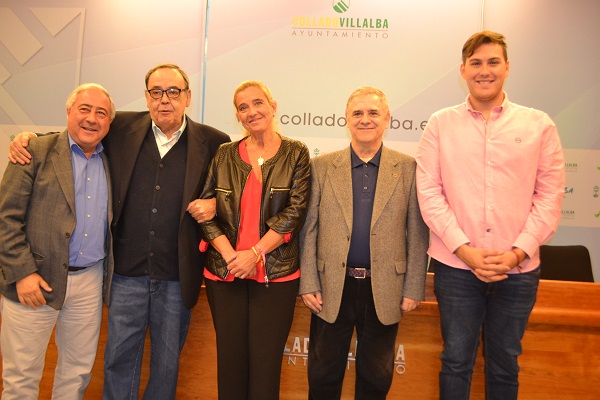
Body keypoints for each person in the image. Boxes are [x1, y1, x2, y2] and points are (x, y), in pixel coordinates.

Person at [8, 63, 230, 399]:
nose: (165, 99)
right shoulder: (121, 127)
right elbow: (75, 135)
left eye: (173, 91)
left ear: (187, 97)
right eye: (156, 92)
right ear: (146, 97)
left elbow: (232, 192)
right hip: (125, 273)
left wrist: (216, 203)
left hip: (177, 273)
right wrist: (29, 138)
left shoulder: (215, 142)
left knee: (166, 364)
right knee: (118, 358)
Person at [415, 31, 565, 400]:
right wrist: (464, 250)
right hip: (456, 268)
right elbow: (429, 194)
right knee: (455, 361)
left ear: (507, 67)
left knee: (505, 364)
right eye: (477, 63)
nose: (485, 70)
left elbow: (549, 197)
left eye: (493, 62)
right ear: (463, 70)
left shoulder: (539, 125)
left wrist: (517, 253)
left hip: (518, 271)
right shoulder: (440, 124)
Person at [299, 86, 429, 399]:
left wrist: (413, 286)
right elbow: (309, 229)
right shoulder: (321, 167)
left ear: (387, 119)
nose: (365, 119)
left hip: (384, 288)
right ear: (346, 119)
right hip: (332, 287)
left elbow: (417, 231)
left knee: (376, 379)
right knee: (322, 376)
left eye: (373, 113)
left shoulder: (408, 168)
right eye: (357, 113)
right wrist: (308, 281)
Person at [0, 83, 115, 399]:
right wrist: (22, 273)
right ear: (69, 112)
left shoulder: (113, 160)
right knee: (21, 379)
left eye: (101, 113)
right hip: (34, 281)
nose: (91, 119)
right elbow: (6, 218)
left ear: (109, 122)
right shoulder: (35, 151)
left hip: (89, 282)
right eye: (84, 109)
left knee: (76, 375)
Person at [198, 80, 310, 400]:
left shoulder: (296, 153)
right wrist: (231, 256)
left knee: (265, 365)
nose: (252, 111)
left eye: (258, 103)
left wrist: (255, 254)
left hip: (275, 274)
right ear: (238, 116)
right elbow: (205, 210)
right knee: (230, 363)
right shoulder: (224, 154)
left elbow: (295, 212)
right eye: (243, 107)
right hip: (225, 273)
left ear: (273, 107)